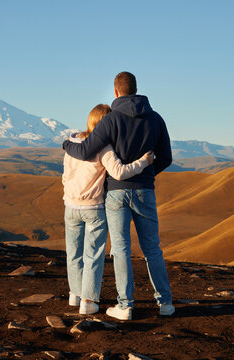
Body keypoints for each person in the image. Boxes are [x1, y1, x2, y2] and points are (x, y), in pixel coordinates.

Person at [62, 72, 174, 320]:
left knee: (121, 249)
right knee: (152, 248)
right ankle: (165, 303)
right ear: (136, 90)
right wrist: (146, 172)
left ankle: (125, 306)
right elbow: (166, 157)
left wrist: (66, 144)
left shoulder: (111, 120)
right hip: (145, 190)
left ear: (115, 92)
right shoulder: (156, 119)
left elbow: (86, 149)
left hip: (116, 193)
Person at [63, 104, 153, 315]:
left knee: (73, 253)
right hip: (94, 207)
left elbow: (65, 175)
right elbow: (120, 172)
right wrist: (143, 162)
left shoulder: (72, 143)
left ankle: (75, 295)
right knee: (92, 255)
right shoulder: (103, 148)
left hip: (70, 205)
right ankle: (88, 300)